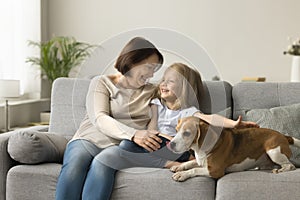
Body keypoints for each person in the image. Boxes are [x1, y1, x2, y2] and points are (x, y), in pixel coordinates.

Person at [56, 37, 170, 200]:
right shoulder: (102, 82)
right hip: (89, 139)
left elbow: (177, 96)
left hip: (121, 147)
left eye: (155, 70)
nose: (152, 74)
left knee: (103, 165)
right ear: (133, 61)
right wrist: (134, 134)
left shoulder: (152, 91)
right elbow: (99, 118)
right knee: (76, 163)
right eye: (150, 67)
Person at [119, 62, 259, 161]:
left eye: (170, 81)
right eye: (163, 80)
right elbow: (152, 128)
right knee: (125, 145)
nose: (163, 84)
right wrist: (151, 138)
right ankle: (167, 164)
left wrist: (233, 124)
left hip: (175, 148)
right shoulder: (156, 104)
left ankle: (180, 160)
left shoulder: (188, 112)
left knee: (160, 150)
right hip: (155, 143)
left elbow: (210, 118)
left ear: (184, 88)